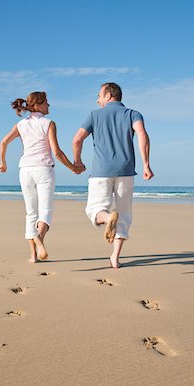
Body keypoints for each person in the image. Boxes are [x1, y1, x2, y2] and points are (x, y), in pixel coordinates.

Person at [72, 82, 153, 269]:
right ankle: (115, 258)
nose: (97, 99)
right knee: (124, 215)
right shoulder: (133, 114)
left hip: (101, 171)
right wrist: (146, 164)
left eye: (99, 95)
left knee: (93, 210)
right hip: (126, 170)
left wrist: (78, 161)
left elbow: (77, 139)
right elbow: (142, 134)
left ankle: (108, 219)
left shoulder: (94, 115)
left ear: (108, 95)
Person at [0, 91, 84, 263]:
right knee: (45, 210)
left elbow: (3, 142)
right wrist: (73, 168)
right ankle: (39, 238)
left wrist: (3, 163)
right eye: (47, 102)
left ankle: (33, 256)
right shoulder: (49, 123)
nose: (49, 105)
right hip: (43, 169)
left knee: (31, 213)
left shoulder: (21, 125)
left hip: (25, 170)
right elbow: (57, 152)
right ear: (38, 105)